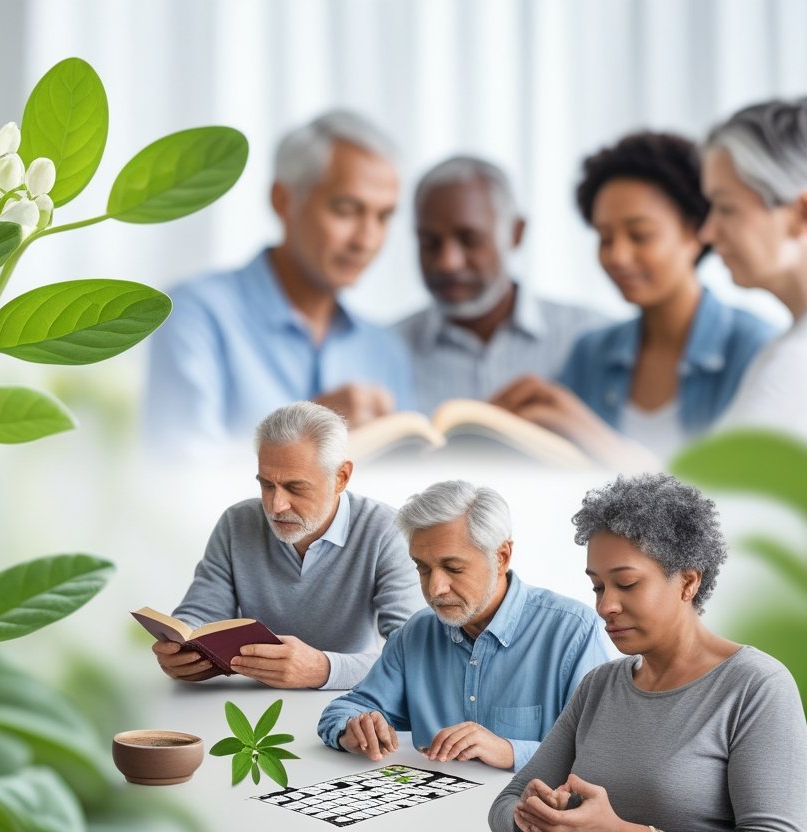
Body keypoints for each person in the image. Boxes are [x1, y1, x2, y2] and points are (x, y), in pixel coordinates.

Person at [490, 473, 807, 832]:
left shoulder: (756, 687)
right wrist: (540, 822)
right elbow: (508, 800)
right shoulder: (599, 685)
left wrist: (618, 830)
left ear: (688, 582)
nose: (605, 605)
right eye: (597, 586)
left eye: (627, 584)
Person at [144, 111, 416, 455]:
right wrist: (304, 436)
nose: (367, 240)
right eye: (346, 210)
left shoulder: (384, 351)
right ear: (283, 201)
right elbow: (176, 474)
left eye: (384, 216)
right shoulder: (194, 314)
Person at [492, 132, 774, 462]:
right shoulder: (590, 353)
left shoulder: (754, 348)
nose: (617, 256)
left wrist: (597, 439)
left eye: (640, 236)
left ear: (697, 232)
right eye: (604, 237)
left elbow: (740, 494)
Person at [316, 481, 610, 771]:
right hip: (428, 810)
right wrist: (354, 729)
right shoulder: (416, 634)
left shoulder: (573, 632)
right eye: (423, 568)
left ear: (502, 557)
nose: (435, 588)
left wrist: (509, 751)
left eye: (453, 568)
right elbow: (345, 710)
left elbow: (600, 754)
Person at [153, 402, 423, 690]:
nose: (276, 506)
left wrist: (323, 669)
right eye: (267, 485)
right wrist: (180, 647)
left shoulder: (386, 531)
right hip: (248, 698)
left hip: (347, 702)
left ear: (341, 477)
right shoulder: (237, 523)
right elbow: (202, 613)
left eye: (295, 488)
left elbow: (415, 656)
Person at [395, 156, 605, 414]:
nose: (448, 262)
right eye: (429, 243)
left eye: (470, 240)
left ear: (516, 234)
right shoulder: (387, 349)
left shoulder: (589, 337)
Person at [702, 97, 807, 443]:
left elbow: (705, 497)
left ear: (799, 213)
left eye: (726, 208)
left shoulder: (793, 366)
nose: (707, 232)